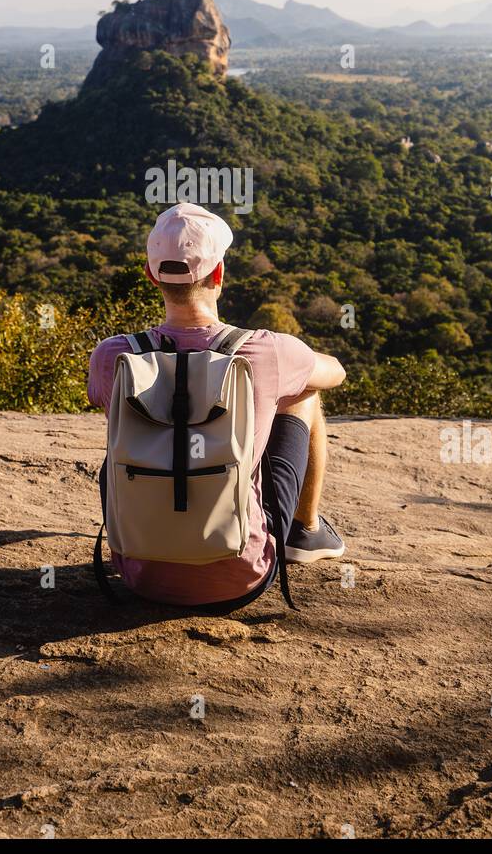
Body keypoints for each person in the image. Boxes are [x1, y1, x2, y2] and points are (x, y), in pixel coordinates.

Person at [88, 202, 346, 609]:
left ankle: (154, 544)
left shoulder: (112, 357)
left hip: (140, 579)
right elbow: (337, 372)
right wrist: (292, 369)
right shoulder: (266, 350)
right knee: (304, 393)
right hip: (241, 579)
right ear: (220, 273)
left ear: (151, 275)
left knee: (125, 432)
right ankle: (305, 531)